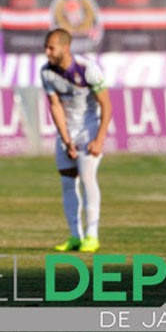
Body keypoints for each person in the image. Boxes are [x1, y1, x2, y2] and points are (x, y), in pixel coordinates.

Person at [41, 28, 112, 253]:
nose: (47, 52)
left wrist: (99, 139)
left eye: (51, 47)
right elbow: (55, 106)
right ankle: (75, 236)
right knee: (67, 182)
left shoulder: (88, 69)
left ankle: (92, 235)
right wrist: (66, 138)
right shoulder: (46, 72)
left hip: (89, 128)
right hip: (67, 132)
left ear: (66, 47)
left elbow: (106, 105)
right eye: (46, 47)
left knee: (87, 179)